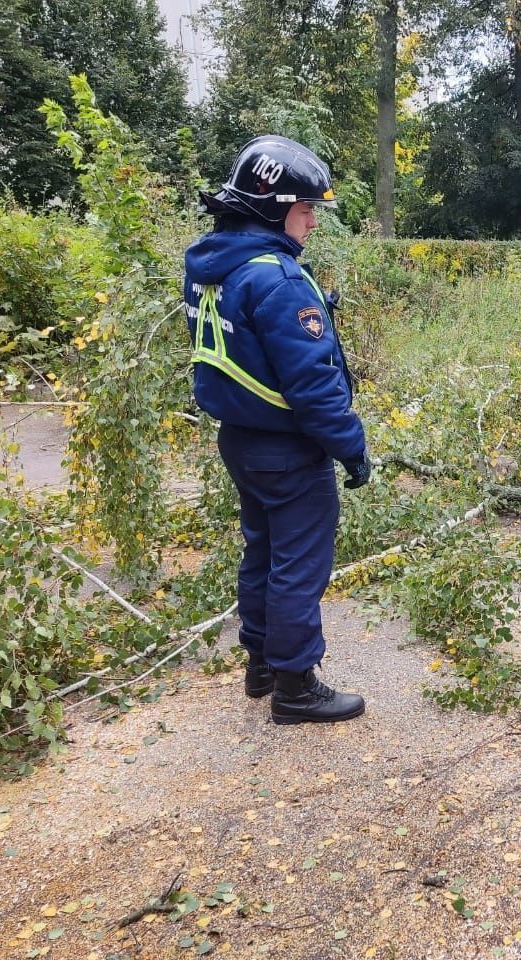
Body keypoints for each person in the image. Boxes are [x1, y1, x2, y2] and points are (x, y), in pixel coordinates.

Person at [183, 134, 371, 725]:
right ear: (272, 207)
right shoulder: (280, 281)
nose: (313, 220)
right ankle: (295, 687)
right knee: (298, 564)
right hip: (289, 449)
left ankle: (260, 663)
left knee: (262, 552)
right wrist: (353, 448)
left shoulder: (216, 266)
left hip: (240, 440)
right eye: (306, 208)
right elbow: (314, 387)